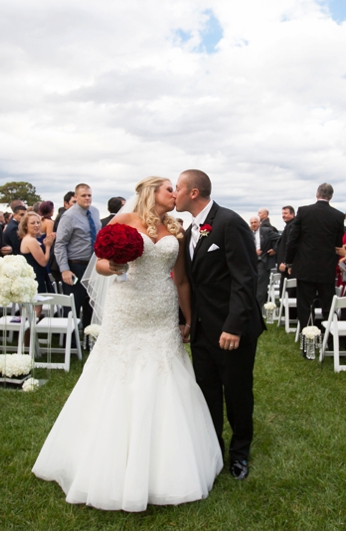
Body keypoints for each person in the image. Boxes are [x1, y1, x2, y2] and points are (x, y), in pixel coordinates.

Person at [33, 176, 222, 511]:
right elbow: (101, 263)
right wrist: (113, 266)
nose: (174, 193)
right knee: (119, 374)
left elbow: (180, 279)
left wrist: (188, 319)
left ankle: (167, 463)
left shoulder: (176, 227)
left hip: (161, 310)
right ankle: (106, 461)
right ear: (151, 192)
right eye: (169, 188)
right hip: (127, 307)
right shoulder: (123, 221)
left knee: (166, 374)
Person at [175, 169, 263, 481]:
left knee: (237, 394)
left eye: (178, 188)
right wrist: (185, 321)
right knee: (207, 393)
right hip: (201, 329)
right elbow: (189, 281)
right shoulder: (188, 229)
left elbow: (245, 278)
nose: (174, 194)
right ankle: (213, 452)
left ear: (193, 192)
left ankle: (240, 455)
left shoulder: (229, 222)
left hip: (231, 330)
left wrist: (234, 326)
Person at [285, 183, 346, 332]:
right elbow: (338, 243)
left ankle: (307, 342)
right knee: (327, 306)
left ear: (317, 194)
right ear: (331, 196)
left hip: (305, 266)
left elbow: (292, 239)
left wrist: (289, 262)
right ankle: (329, 339)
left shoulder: (304, 211)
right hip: (327, 267)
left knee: (305, 305)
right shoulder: (338, 215)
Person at [53, 184, 100, 330]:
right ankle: (71, 342)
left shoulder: (95, 212)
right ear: (76, 196)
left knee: (91, 304)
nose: (87, 198)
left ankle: (88, 338)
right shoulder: (69, 216)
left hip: (93, 265)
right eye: (83, 196)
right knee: (74, 305)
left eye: (89, 195)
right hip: (75, 266)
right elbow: (60, 244)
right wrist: (64, 269)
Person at [19, 211, 55, 297]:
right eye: (32, 223)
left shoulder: (29, 238)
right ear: (25, 226)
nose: (36, 225)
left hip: (35, 276)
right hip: (35, 277)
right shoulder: (31, 241)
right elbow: (43, 262)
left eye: (38, 222)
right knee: (37, 306)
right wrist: (48, 246)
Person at [249, 216, 280, 306]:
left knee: (261, 288)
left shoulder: (266, 231)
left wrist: (275, 250)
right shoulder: (248, 233)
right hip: (252, 263)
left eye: (255, 222)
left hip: (263, 261)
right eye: (252, 223)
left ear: (259, 223)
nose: (254, 224)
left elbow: (280, 238)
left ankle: (259, 308)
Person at [275, 205, 296, 294]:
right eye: (282, 213)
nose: (283, 215)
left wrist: (285, 262)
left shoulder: (292, 226)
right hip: (285, 264)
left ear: (292, 214)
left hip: (287, 266)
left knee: (286, 292)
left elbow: (290, 245)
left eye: (286, 213)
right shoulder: (288, 226)